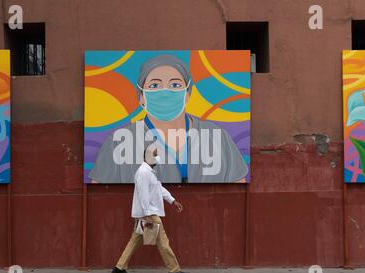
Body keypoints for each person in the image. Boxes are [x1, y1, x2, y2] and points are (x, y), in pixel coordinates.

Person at [89, 54, 248, 183]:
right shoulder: (118, 141)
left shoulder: (216, 136)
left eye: (175, 85)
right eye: (154, 86)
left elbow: (238, 189)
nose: (165, 92)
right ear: (141, 97)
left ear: (187, 95)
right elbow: (99, 194)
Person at [111, 144, 191, 273]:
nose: (157, 158)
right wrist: (147, 214)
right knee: (163, 242)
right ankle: (174, 270)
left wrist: (172, 200)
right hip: (149, 214)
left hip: (146, 212)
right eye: (155, 155)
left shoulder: (148, 173)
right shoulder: (143, 173)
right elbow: (143, 195)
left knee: (135, 240)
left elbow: (158, 189)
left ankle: (119, 267)